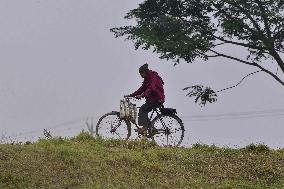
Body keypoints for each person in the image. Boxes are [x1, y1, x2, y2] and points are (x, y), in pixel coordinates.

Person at [125, 64, 165, 134]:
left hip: (158, 99)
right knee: (144, 110)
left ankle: (144, 128)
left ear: (145, 72)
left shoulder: (153, 77)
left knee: (143, 109)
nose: (141, 75)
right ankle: (151, 127)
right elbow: (142, 88)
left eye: (141, 73)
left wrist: (142, 95)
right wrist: (132, 95)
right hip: (152, 100)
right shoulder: (147, 78)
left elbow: (151, 89)